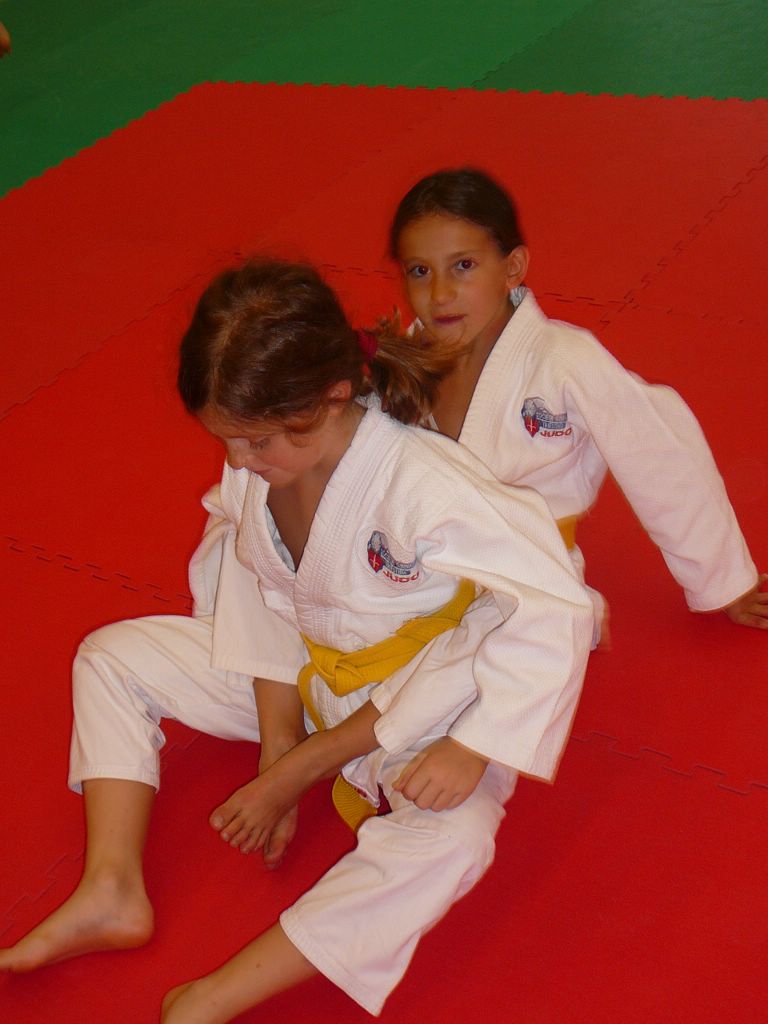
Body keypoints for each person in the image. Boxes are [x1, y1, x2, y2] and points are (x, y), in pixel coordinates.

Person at [0, 259, 593, 1022]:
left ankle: (210, 998)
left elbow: (555, 599)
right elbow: (256, 581)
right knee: (110, 657)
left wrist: (474, 746)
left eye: (254, 441)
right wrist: (278, 744)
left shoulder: (423, 483)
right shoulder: (261, 463)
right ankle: (111, 889)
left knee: (458, 837)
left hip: (422, 707)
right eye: (227, 440)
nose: (238, 463)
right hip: (308, 674)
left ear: (332, 397)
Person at [386, 166, 766, 642]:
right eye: (420, 271)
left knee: (508, 655)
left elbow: (661, 459)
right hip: (418, 569)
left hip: (531, 573)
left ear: (512, 268)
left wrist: (723, 580)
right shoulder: (402, 362)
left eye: (463, 265)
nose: (440, 294)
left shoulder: (565, 361)